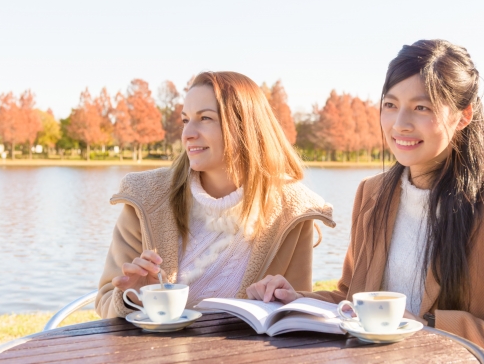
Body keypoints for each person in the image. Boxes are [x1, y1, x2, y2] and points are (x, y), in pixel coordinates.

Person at [247, 40, 484, 364]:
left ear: (463, 116)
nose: (399, 123)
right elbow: (351, 299)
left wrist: (428, 326)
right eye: (390, 105)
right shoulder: (371, 194)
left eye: (422, 107)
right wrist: (294, 300)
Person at [96, 71, 334, 318]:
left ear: (245, 127)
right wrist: (133, 298)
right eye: (185, 120)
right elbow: (105, 304)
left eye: (205, 118)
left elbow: (294, 316)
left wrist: (279, 299)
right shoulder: (146, 198)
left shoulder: (292, 210)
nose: (188, 133)